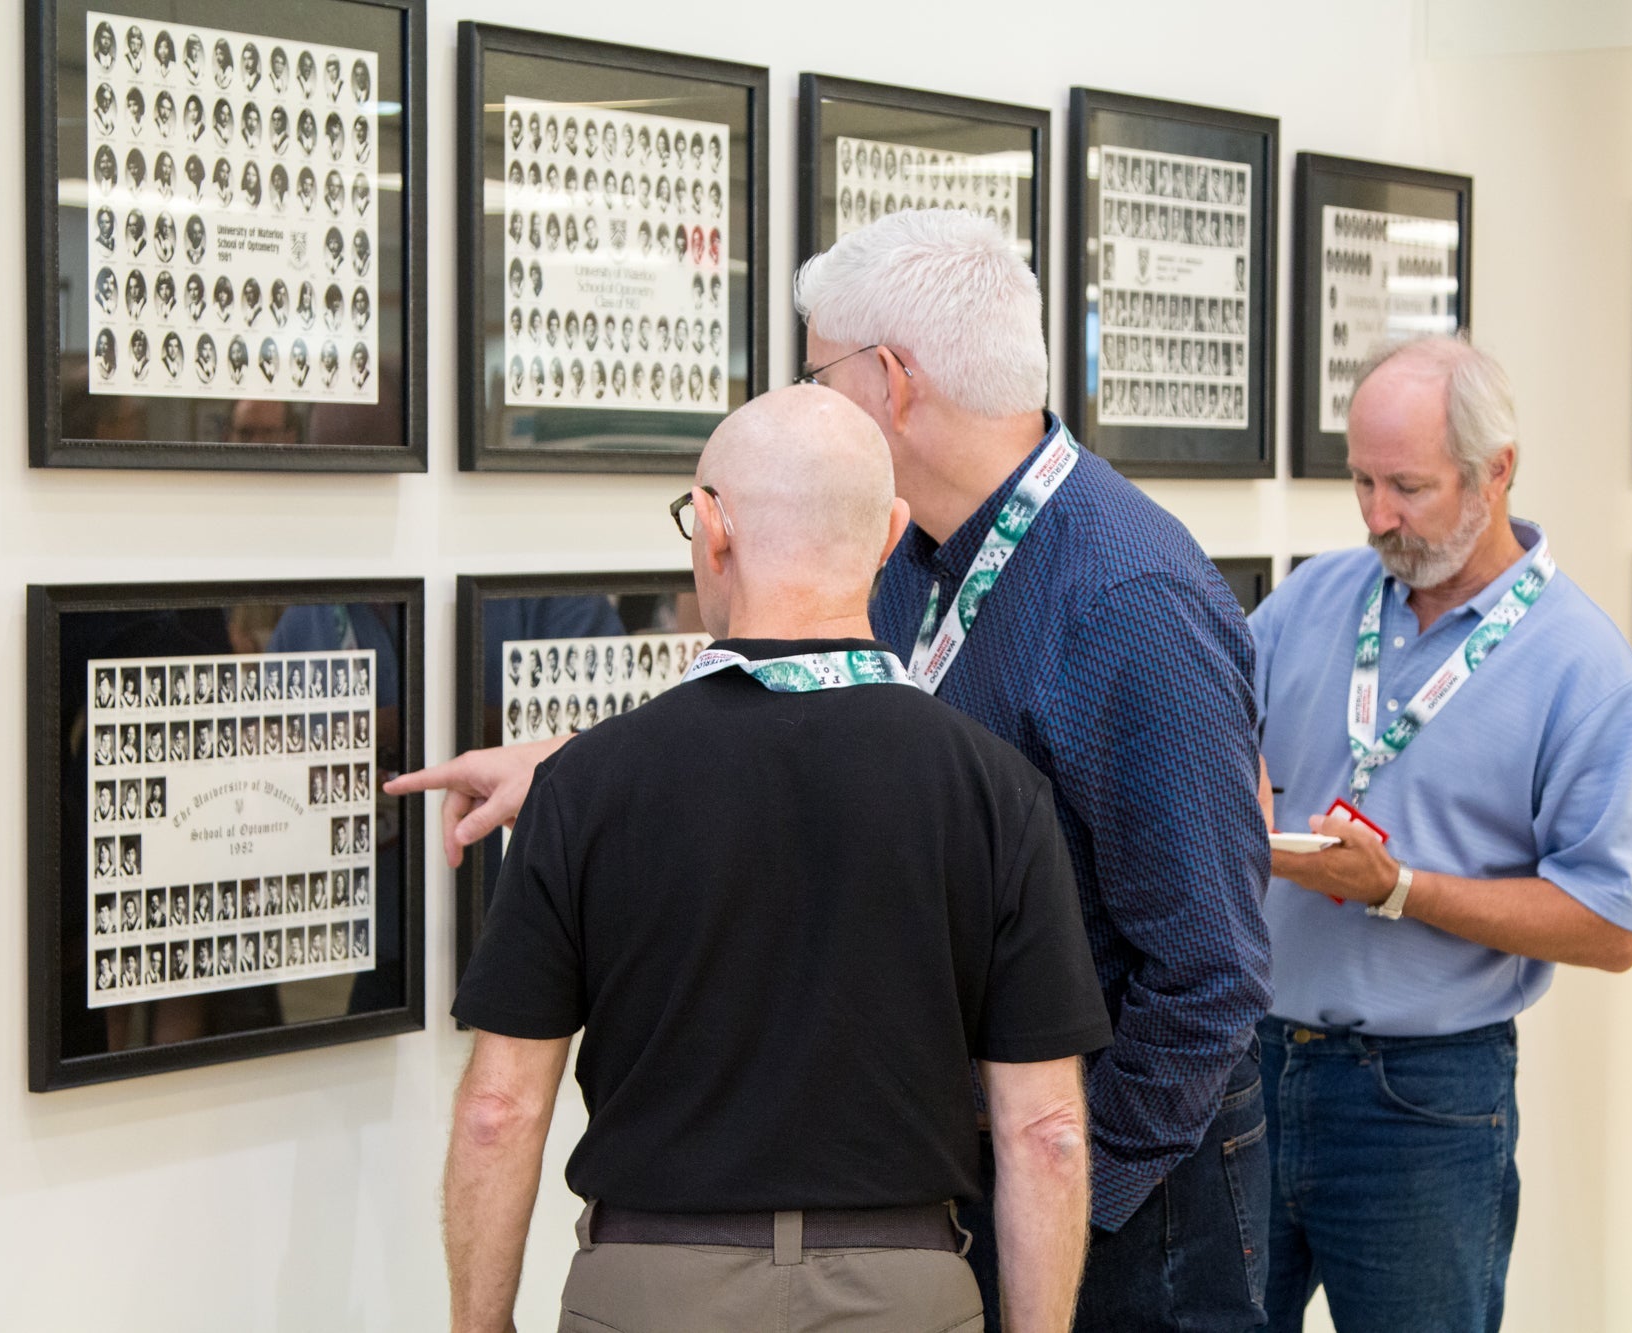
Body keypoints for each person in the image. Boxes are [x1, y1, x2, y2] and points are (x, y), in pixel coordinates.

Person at [394, 209, 1273, 1332]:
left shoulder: (1125, 600)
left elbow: (1209, 972)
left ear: (892, 382)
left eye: (815, 371)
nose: (800, 401)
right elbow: (835, 735)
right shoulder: (909, 557)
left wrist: (1055, 1188)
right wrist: (580, 766)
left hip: (1126, 1203)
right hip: (966, 1198)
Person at [443, 385, 1111, 1333]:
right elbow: (1045, 1132)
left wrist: (479, 1323)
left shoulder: (585, 783)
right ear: (889, 536)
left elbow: (498, 1111)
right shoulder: (995, 790)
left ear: (712, 530)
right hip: (904, 1291)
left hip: (650, 1293)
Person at [1248, 336, 1632, 1333]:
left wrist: (1400, 888)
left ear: (1495, 472)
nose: (1375, 515)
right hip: (1251, 1067)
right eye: (1358, 481)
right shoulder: (1311, 600)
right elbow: (1209, 722)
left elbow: (1610, 926)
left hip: (1421, 1104)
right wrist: (1234, 787)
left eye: (1407, 487)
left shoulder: (1581, 668)